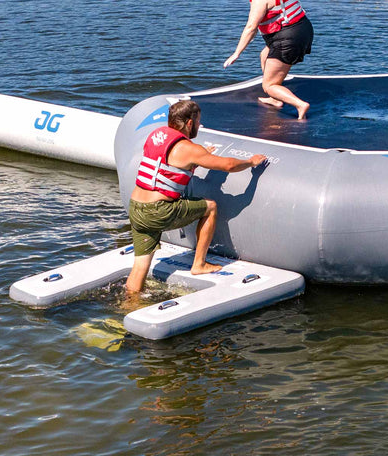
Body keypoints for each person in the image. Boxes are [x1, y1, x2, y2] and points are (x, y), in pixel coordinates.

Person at [126, 100, 267, 293]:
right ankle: (199, 264)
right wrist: (251, 162)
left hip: (136, 208)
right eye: (198, 121)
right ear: (190, 122)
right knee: (210, 207)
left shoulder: (155, 136)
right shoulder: (189, 149)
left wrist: (198, 158)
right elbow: (229, 166)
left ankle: (130, 302)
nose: (199, 125)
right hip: (158, 211)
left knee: (140, 267)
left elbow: (167, 167)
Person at [224, 0, 314, 120]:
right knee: (264, 55)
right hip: (302, 29)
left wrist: (236, 53)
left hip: (288, 38)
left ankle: (300, 105)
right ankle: (275, 99)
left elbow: (251, 28)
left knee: (269, 85)